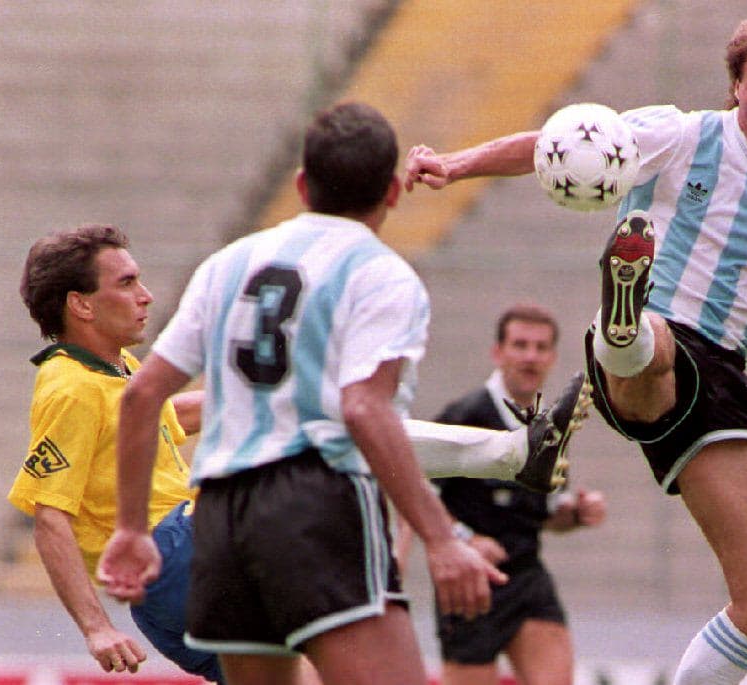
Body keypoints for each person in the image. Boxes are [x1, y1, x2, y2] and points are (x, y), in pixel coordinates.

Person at [401, 11, 747, 685]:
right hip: (657, 339)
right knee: (659, 347)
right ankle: (625, 315)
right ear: (736, 86)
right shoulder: (681, 132)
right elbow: (555, 144)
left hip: (724, 385)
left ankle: (616, 334)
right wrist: (453, 163)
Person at [96, 102, 592, 685]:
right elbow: (362, 407)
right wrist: (441, 538)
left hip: (219, 516)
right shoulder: (380, 275)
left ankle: (508, 453)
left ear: (303, 184)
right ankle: (508, 453)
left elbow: (141, 395)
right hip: (317, 504)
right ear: (391, 192)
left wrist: (130, 530)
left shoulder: (228, 264)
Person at [9, 225, 223, 681]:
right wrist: (96, 628)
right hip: (173, 552)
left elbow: (166, 418)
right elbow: (49, 518)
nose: (145, 295)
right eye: (126, 284)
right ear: (81, 304)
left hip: (171, 573)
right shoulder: (71, 389)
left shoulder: (116, 365)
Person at [427, 304, 606, 685]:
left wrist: (575, 514)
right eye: (520, 345)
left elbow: (549, 516)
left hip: (526, 576)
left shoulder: (552, 425)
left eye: (540, 347)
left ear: (552, 357)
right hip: (469, 581)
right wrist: (465, 540)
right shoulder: (465, 414)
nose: (530, 356)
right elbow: (418, 492)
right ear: (498, 352)